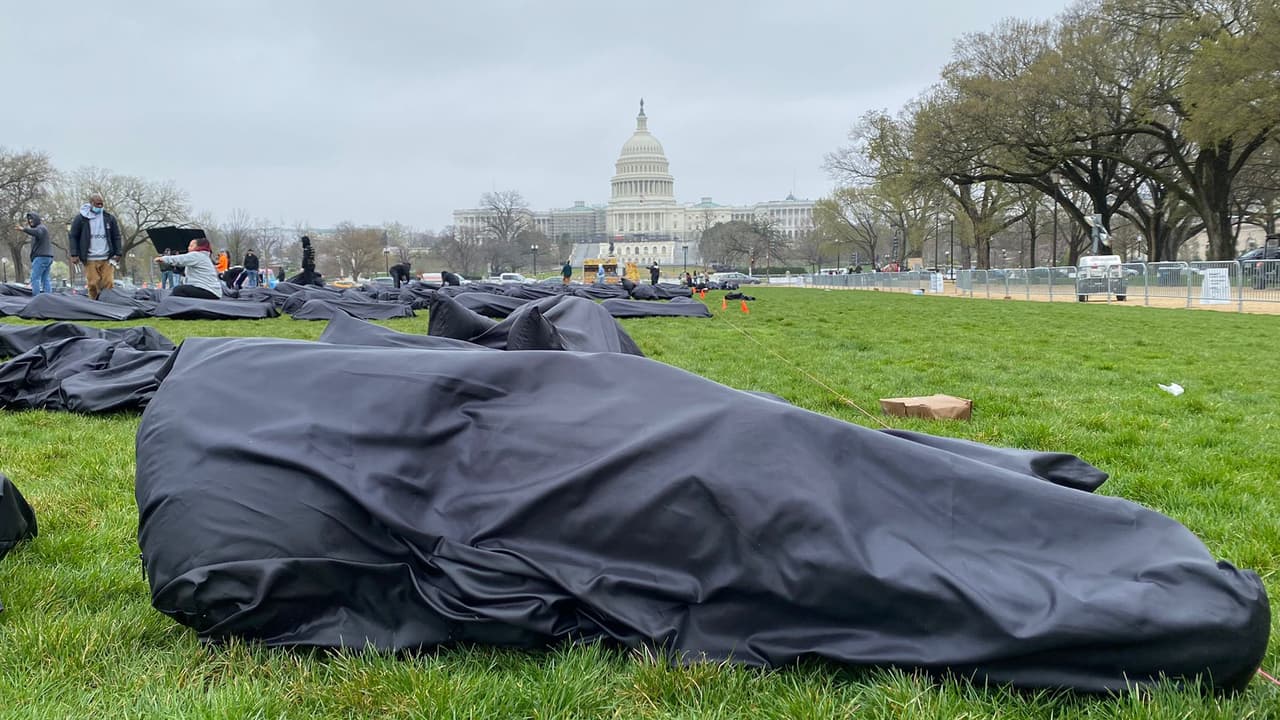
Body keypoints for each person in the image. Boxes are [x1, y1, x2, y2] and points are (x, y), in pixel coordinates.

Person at [68, 193, 122, 300]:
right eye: (98, 204)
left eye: (102, 204)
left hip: (107, 257)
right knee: (93, 283)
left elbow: (116, 236)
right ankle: (94, 302)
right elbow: (73, 236)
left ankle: (108, 303)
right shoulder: (81, 219)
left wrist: (118, 252)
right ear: (91, 203)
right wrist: (74, 254)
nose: (100, 207)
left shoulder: (109, 218)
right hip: (90, 258)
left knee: (108, 283)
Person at [155, 238, 222, 299]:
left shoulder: (196, 255)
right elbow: (186, 272)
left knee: (179, 290)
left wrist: (163, 258)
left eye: (191, 246)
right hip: (211, 291)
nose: (188, 248)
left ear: (199, 247)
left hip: (208, 290)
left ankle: (171, 307)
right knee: (182, 289)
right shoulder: (204, 257)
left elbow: (180, 259)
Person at [16, 212, 53, 295]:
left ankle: (36, 299)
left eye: (32, 219)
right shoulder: (41, 229)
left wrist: (23, 229)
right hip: (47, 257)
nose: (30, 221)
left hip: (41, 257)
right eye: (29, 220)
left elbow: (36, 232)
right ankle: (49, 298)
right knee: (45, 278)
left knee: (35, 278)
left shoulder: (40, 228)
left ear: (36, 219)